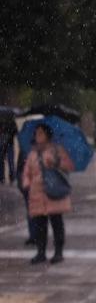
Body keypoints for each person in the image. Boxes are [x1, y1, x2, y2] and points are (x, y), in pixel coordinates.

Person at [21, 123, 74, 264]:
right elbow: (27, 172)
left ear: (47, 135)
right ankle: (41, 252)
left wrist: (55, 163)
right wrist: (26, 183)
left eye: (40, 133)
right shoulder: (32, 153)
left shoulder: (57, 150)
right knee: (40, 225)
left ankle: (58, 252)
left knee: (56, 223)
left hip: (53, 192)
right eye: (36, 133)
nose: (38, 136)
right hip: (37, 194)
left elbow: (69, 166)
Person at [0, 112, 16, 184]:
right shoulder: (10, 123)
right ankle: (3, 177)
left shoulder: (11, 123)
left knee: (8, 161)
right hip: (5, 144)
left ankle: (8, 177)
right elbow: (16, 132)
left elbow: (15, 132)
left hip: (7, 144)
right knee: (6, 161)